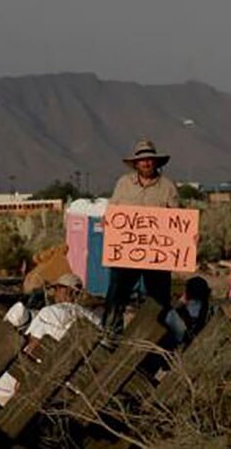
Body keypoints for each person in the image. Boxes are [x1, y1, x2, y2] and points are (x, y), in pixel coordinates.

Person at [102, 138, 181, 331]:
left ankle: (157, 334)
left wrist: (186, 237)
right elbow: (113, 210)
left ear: (156, 162)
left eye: (150, 159)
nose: (146, 163)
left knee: (159, 296)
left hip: (157, 253)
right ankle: (110, 332)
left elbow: (178, 219)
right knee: (117, 292)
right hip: (127, 250)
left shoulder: (168, 187)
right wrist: (108, 222)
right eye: (142, 160)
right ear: (136, 163)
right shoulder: (123, 184)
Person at [0, 274, 101, 405]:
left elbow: (33, 346)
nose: (54, 294)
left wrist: (21, 380)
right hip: (76, 386)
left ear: (65, 290)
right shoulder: (95, 320)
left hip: (42, 377)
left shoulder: (50, 312)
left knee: (1, 387)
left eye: (56, 290)